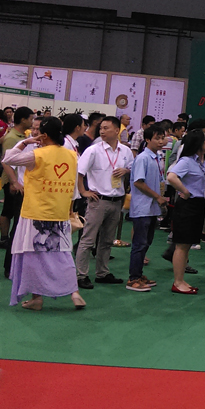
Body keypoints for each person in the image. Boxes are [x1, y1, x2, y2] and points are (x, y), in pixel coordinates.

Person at [4, 116, 86, 310]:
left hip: (35, 213)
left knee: (33, 255)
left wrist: (25, 142)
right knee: (63, 253)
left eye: (38, 131)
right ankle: (74, 292)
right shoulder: (72, 155)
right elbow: (73, 185)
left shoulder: (37, 154)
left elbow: (8, 159)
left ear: (44, 135)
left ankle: (37, 298)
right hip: (59, 212)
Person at [75, 116, 134, 289]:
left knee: (107, 240)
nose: (102, 131)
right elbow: (79, 172)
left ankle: (102, 273)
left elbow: (132, 167)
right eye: (101, 128)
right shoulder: (94, 150)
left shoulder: (125, 151)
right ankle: (81, 275)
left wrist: (126, 170)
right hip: (98, 200)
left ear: (117, 130)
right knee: (88, 239)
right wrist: (83, 191)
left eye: (106, 128)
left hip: (116, 201)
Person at [166, 129, 205, 294]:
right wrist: (185, 191)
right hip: (187, 205)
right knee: (181, 244)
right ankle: (177, 282)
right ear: (198, 143)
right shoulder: (186, 161)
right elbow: (171, 177)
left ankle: (181, 280)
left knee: (188, 244)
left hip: (200, 204)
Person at [126, 124, 169, 292]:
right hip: (142, 207)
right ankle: (133, 279)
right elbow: (138, 182)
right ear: (147, 139)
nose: (161, 141)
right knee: (139, 244)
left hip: (152, 208)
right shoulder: (143, 158)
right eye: (157, 138)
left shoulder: (157, 157)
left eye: (162, 138)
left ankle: (139, 274)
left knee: (146, 242)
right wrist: (157, 196)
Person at [0, 106, 33, 251]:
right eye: (31, 119)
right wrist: (13, 182)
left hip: (18, 179)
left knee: (13, 212)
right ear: (23, 120)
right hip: (12, 180)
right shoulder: (12, 137)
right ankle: (4, 239)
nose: (32, 122)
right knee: (8, 211)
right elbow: (6, 161)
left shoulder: (23, 136)